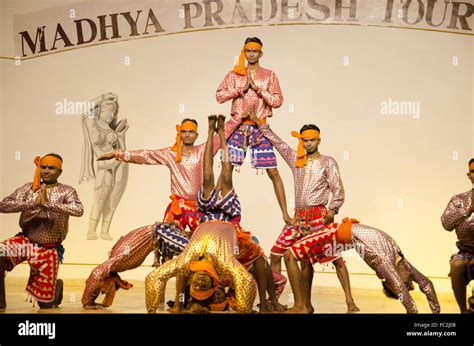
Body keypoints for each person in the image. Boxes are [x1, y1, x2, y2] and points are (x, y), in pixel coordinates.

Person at [247, 109, 358, 312]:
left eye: (312, 140)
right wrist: (261, 124)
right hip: (298, 219)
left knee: (334, 257)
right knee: (275, 253)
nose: (308, 143)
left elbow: (338, 189)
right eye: (305, 140)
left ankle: (349, 301)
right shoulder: (295, 159)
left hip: (319, 217)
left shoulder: (328, 162)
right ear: (301, 141)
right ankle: (276, 300)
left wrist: (333, 210)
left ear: (318, 140)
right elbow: (278, 143)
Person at [144, 115, 256, 313]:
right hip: (225, 221)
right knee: (225, 174)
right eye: (205, 284)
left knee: (207, 176)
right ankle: (219, 133)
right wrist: (222, 135)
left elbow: (153, 277)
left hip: (205, 218)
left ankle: (213, 131)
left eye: (198, 284)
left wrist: (152, 310)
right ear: (213, 282)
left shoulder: (188, 261)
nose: (201, 280)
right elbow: (246, 281)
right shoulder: (223, 265)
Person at [98, 116, 242, 264]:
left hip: (198, 208)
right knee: (166, 246)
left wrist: (239, 118)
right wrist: (117, 154)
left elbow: (225, 131)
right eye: (184, 131)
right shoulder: (171, 154)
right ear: (180, 134)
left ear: (196, 135)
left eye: (191, 132)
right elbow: (146, 155)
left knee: (201, 245)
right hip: (177, 208)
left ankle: (194, 281)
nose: (187, 134)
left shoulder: (203, 150)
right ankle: (162, 279)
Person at [283, 218, 440, 314]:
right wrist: (436, 313)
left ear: (390, 283)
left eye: (408, 285)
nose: (411, 285)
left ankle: (302, 307)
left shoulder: (383, 264)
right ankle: (303, 306)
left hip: (336, 235)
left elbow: (401, 291)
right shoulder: (403, 263)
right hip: (337, 232)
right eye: (409, 284)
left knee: (289, 254)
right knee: (294, 255)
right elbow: (427, 283)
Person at [216, 37, 293, 225]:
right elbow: (219, 96)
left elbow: (277, 101)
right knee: (227, 168)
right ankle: (214, 210)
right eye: (248, 50)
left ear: (261, 53)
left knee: (273, 172)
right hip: (238, 127)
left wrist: (258, 89)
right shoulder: (234, 75)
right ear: (244, 51)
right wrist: (240, 89)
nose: (251, 54)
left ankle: (286, 215)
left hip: (260, 128)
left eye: (255, 51)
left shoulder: (269, 75)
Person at [0, 154, 84, 309]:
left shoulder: (67, 191)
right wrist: (30, 204)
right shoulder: (28, 188)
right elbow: (3, 205)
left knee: (45, 305)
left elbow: (78, 210)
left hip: (49, 249)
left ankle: (56, 289)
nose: (46, 171)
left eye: (51, 168)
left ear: (60, 172)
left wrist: (48, 205)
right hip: (26, 241)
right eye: (43, 167)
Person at [81, 221, 189, 308]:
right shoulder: (116, 261)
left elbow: (97, 273)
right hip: (160, 237)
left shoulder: (116, 261)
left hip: (161, 233)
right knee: (185, 263)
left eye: (101, 289)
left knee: (192, 252)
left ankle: (180, 303)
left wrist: (87, 301)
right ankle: (180, 303)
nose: (103, 291)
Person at [80, 92, 129, 241]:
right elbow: (85, 111)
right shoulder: (93, 124)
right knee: (100, 199)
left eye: (114, 112)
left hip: (119, 163)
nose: (112, 114)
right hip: (104, 165)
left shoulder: (111, 129)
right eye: (109, 111)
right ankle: (91, 229)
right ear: (100, 111)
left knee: (113, 199)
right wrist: (103, 97)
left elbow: (122, 150)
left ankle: (105, 230)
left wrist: (121, 135)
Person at [441, 158, 474, 313]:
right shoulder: (459, 200)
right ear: (469, 176)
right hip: (466, 252)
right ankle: (463, 311)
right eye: (473, 171)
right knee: (456, 266)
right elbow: (446, 224)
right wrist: (467, 210)